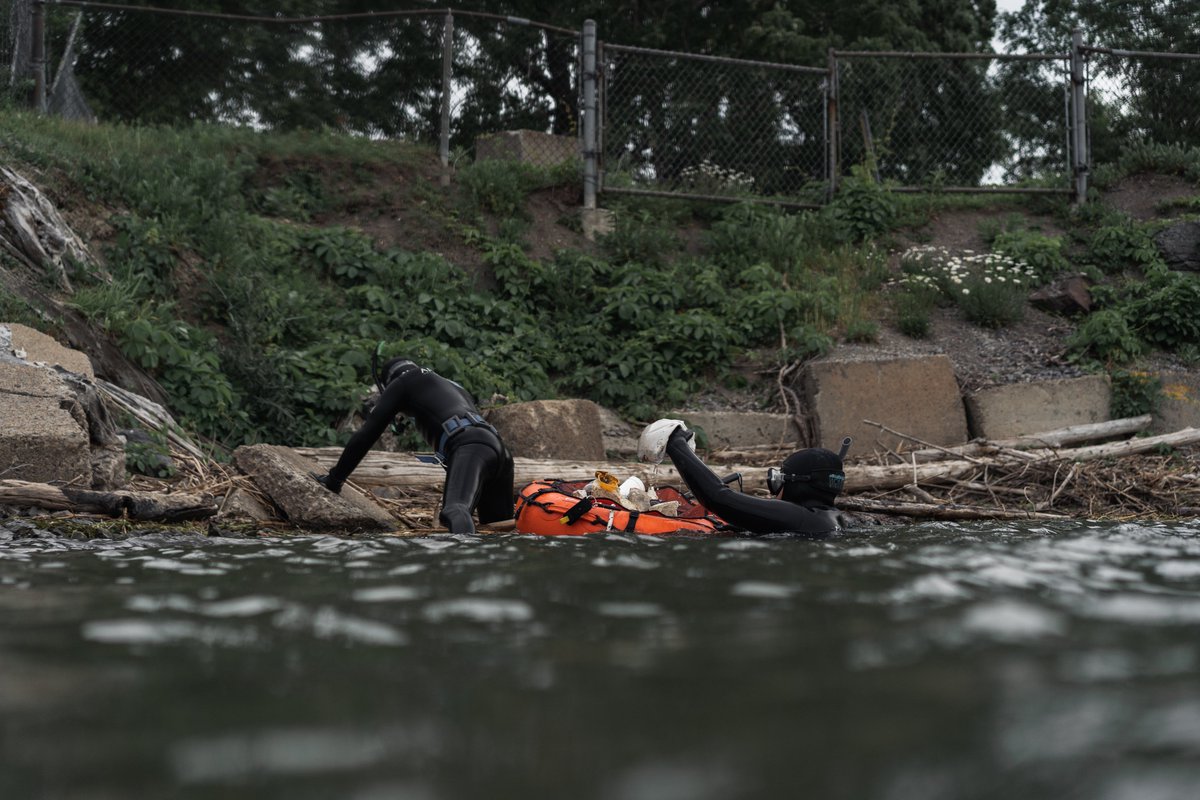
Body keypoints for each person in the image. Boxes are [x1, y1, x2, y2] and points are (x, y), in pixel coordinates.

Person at [314, 358, 514, 535]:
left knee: (454, 510)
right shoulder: (451, 385)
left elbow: (366, 435)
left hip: (469, 446)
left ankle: (462, 570)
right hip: (499, 450)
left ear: (389, 382)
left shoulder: (404, 381)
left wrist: (335, 479)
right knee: (499, 530)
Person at [642, 419, 845, 537]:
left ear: (798, 484)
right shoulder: (836, 518)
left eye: (777, 480)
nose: (775, 489)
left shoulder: (797, 516)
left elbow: (718, 498)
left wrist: (676, 444)